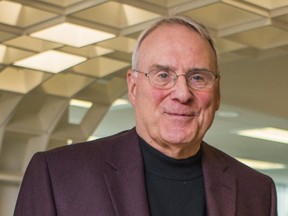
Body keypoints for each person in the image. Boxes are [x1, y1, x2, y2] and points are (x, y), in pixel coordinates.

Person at [14, 16, 277, 216]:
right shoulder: (58, 175)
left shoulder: (256, 190)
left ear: (217, 93)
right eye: (163, 75)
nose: (182, 93)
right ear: (133, 86)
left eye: (198, 77)